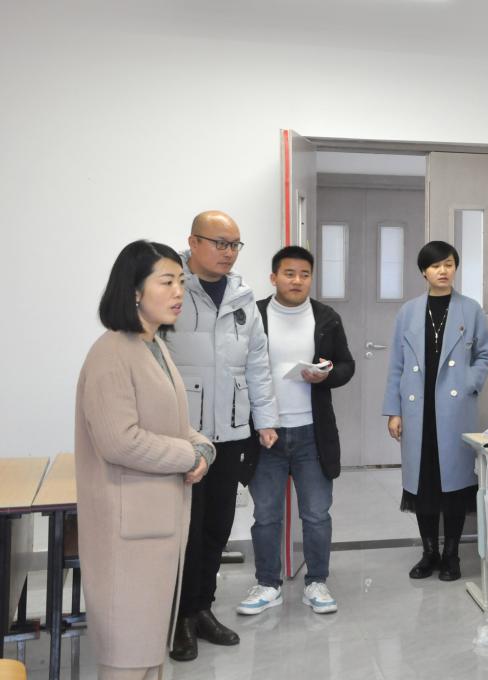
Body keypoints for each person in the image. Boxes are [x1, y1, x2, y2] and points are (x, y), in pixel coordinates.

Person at [75, 241, 215, 680]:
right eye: (167, 281)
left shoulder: (154, 346)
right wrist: (187, 454)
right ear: (134, 290)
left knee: (148, 653)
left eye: (182, 282)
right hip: (127, 530)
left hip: (156, 523)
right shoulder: (111, 352)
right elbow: (120, 441)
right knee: (127, 657)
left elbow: (174, 423)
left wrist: (204, 448)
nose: (179, 292)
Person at [163, 210, 279, 661]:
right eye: (220, 243)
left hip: (230, 433)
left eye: (234, 245)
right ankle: (179, 617)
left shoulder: (241, 296)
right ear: (193, 242)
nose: (229, 253)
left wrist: (264, 421)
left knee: (216, 527)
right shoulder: (171, 288)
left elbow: (257, 364)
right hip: (183, 436)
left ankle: (202, 609)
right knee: (185, 531)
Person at [236, 246, 355, 616]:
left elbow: (346, 365)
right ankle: (267, 584)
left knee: (317, 514)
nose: (297, 281)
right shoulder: (253, 315)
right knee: (266, 515)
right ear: (274, 277)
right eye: (289, 273)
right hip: (265, 434)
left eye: (305, 274)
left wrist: (326, 375)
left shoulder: (326, 318)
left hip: (311, 434)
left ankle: (317, 581)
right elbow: (236, 367)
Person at [383, 241, 488, 581]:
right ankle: (429, 552)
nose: (442, 271)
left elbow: (485, 355)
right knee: (423, 484)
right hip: (416, 410)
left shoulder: (470, 310)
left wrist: (469, 382)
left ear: (455, 268)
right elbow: (397, 365)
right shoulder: (409, 312)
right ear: (424, 272)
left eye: (448, 264)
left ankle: (452, 555)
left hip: (454, 410)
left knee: (455, 485)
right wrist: (394, 411)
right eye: (435, 266)